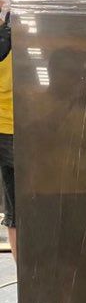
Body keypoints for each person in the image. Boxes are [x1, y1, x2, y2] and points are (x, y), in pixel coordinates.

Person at [0, 13, 14, 259]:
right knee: (20, 207)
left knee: (16, 208)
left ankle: (26, 275)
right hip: (15, 130)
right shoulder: (11, 37)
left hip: (9, 128)